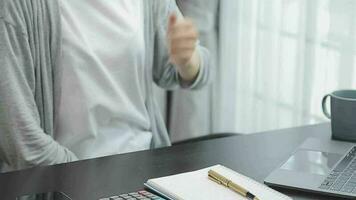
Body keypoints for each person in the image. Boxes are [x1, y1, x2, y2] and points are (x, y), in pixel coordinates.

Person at [0, 0, 210, 172]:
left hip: (144, 172)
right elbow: (22, 144)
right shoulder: (17, 6)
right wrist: (88, 180)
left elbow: (191, 69)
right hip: (67, 181)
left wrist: (187, 60)